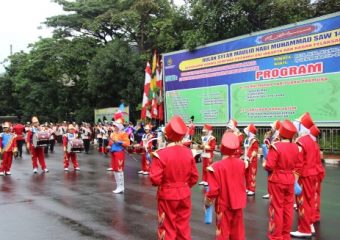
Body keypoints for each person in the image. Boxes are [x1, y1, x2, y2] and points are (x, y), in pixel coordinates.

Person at [150, 116, 199, 240]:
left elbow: (155, 179)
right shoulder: (188, 153)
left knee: (167, 228)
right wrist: (183, 186)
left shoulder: (161, 154)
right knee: (183, 227)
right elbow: (194, 177)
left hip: (167, 195)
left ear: (167, 136)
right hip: (184, 194)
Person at [263, 119, 302, 240]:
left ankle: (276, 235)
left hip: (276, 180)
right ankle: (285, 235)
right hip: (290, 179)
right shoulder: (296, 148)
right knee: (288, 208)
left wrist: (264, 164)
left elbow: (269, 165)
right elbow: (298, 166)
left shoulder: (275, 147)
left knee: (276, 208)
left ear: (280, 133)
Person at [204, 132, 247, 240]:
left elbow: (213, 191)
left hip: (223, 205)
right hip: (238, 203)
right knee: (238, 233)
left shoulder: (215, 167)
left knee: (222, 233)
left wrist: (207, 202)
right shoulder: (241, 164)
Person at [291, 112, 318, 238]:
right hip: (313, 174)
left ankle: (304, 229)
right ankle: (310, 224)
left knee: (302, 202)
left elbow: (298, 164)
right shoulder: (311, 140)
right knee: (310, 200)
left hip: (304, 175)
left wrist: (295, 181)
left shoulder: (300, 141)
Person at [108, 115, 130, 194]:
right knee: (115, 169)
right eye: (114, 126)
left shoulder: (123, 134)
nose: (114, 127)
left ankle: (121, 187)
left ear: (120, 126)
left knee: (119, 169)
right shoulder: (113, 134)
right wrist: (109, 145)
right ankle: (118, 186)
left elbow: (127, 143)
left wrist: (119, 142)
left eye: (116, 126)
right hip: (113, 152)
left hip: (119, 152)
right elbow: (111, 143)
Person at [309, 124, 325, 224]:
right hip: (318, 172)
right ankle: (316, 215)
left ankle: (313, 216)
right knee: (316, 195)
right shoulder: (315, 144)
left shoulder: (311, 145)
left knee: (312, 195)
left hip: (314, 172)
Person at [262, 120, 281, 199]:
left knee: (274, 178)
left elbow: (272, 147)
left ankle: (274, 193)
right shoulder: (273, 137)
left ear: (276, 128)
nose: (271, 129)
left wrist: (267, 140)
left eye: (272, 127)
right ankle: (270, 193)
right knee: (270, 177)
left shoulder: (277, 138)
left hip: (275, 161)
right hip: (271, 159)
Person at [243, 123, 259, 196]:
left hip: (252, 160)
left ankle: (252, 189)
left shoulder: (254, 140)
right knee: (246, 174)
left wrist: (251, 157)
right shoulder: (247, 139)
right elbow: (246, 149)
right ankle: (247, 187)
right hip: (246, 159)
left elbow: (255, 150)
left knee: (251, 174)